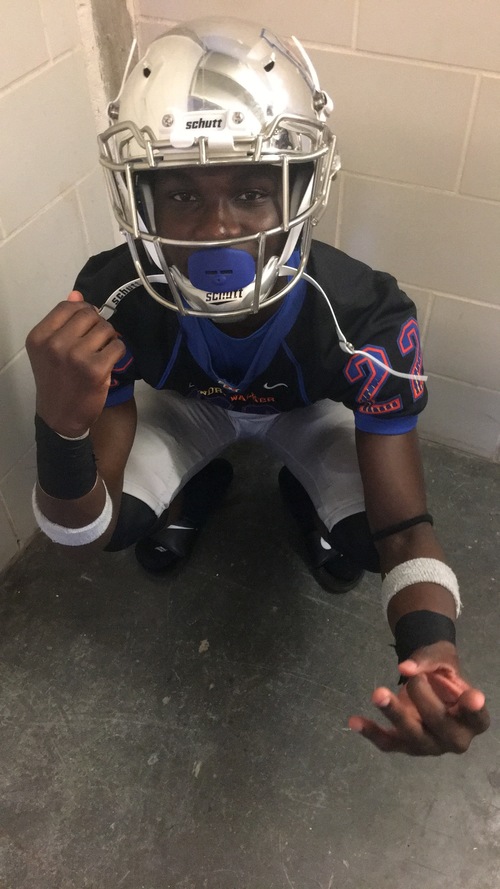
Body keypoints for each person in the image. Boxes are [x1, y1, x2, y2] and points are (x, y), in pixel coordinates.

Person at [26, 16, 489, 756]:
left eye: (250, 191)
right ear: (141, 201)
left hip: (305, 414)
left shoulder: (363, 315)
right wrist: (59, 429)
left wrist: (432, 651)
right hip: (189, 409)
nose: (218, 229)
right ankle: (190, 492)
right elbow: (78, 529)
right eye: (182, 196)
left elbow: (407, 529)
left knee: (370, 540)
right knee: (120, 526)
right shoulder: (115, 295)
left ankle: (307, 500)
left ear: (299, 190)